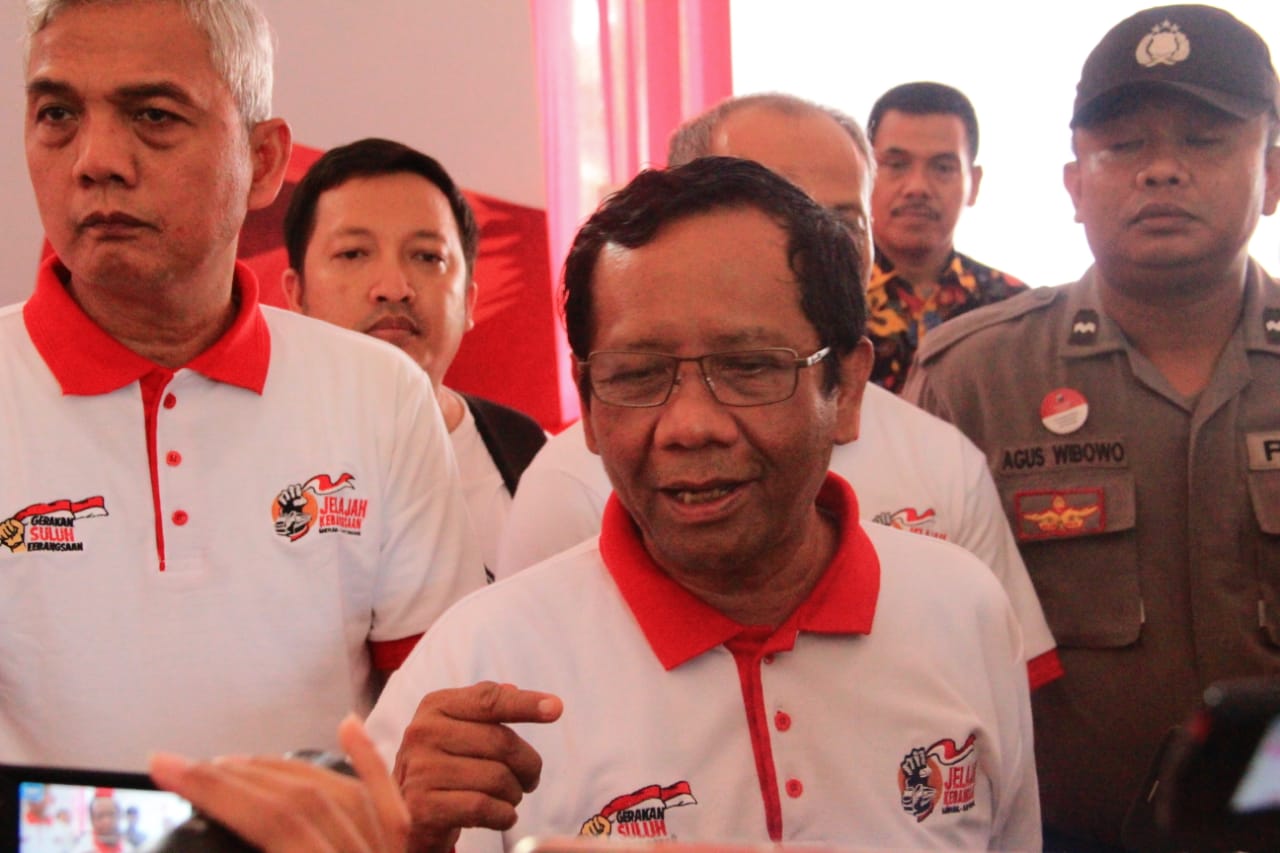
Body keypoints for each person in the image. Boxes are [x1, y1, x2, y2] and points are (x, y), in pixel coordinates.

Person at [365, 157, 1041, 852]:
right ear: (591, 410)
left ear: (848, 387)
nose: (691, 425)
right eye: (638, 375)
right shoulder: (479, 662)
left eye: (750, 367)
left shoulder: (964, 612)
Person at [1, 0, 482, 771]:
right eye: (57, 112)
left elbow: (440, 726)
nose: (96, 159)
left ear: (262, 162)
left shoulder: (380, 395)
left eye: (152, 114)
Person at [496, 92, 1060, 689]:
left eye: (841, 222)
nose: (808, 248)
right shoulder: (574, 483)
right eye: (772, 206)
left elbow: (1002, 704)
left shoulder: (941, 459)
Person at [904, 5, 1280, 849]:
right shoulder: (973, 378)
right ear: (1075, 186)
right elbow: (910, 648)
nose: (1162, 171)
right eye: (1123, 147)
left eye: (1205, 139)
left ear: (1273, 175)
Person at [281, 139, 546, 575]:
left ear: (469, 301)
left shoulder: (530, 457)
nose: (393, 286)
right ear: (296, 294)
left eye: (427, 257)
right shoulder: (243, 455)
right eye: (353, 254)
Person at [865, 82, 1027, 393]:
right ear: (866, 173)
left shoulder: (1013, 309)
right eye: (897, 165)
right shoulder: (823, 300)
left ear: (974, 183)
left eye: (942, 167)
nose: (917, 187)